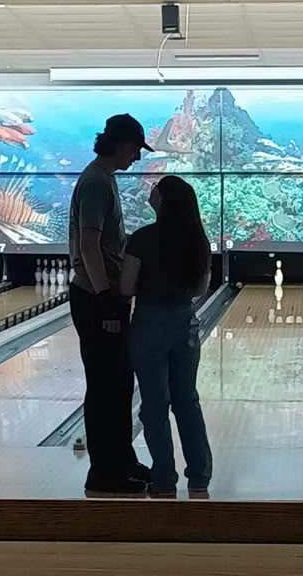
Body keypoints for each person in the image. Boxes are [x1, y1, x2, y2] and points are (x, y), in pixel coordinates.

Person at [69, 113, 154, 496]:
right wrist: (105, 296)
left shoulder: (104, 180)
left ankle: (121, 460)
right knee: (105, 385)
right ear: (120, 143)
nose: (137, 157)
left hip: (105, 296)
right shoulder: (95, 183)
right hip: (95, 298)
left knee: (119, 382)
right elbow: (89, 245)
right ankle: (104, 472)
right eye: (136, 149)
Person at [120, 175, 213, 498]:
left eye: (155, 189)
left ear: (162, 200)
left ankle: (163, 479)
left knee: (154, 405)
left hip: (148, 325)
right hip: (184, 322)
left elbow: (126, 288)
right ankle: (199, 475)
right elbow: (200, 289)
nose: (150, 192)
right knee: (187, 400)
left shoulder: (142, 238)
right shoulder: (197, 240)